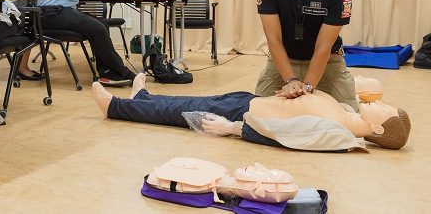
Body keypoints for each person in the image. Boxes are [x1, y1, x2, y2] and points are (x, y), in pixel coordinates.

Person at [92, 75, 410, 151]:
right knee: (186, 101)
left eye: (384, 111)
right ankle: (143, 97)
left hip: (242, 114)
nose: (381, 104)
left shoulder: (337, 134)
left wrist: (233, 128)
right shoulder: (348, 113)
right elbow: (372, 87)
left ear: (378, 130)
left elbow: (283, 136)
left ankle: (116, 107)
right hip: (250, 101)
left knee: (176, 112)